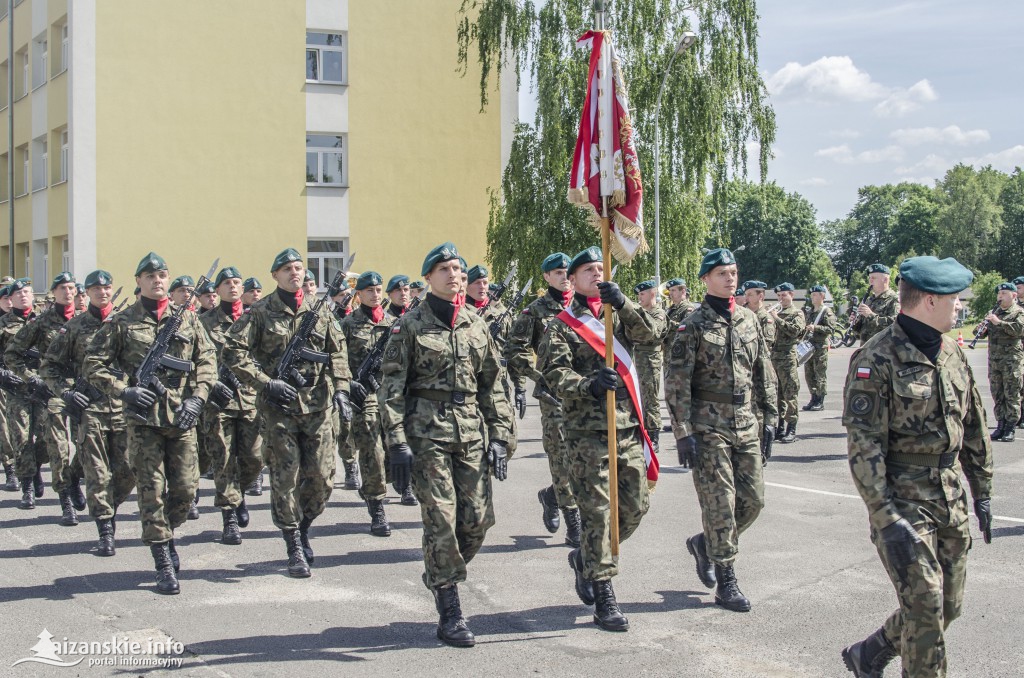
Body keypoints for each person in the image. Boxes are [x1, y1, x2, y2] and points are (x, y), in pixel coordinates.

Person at [841, 255, 993, 678]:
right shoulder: (877, 356)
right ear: (929, 301)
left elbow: (973, 425)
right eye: (954, 298)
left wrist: (982, 490)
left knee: (949, 605)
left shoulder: (951, 352)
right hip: (903, 499)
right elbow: (864, 445)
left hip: (950, 494)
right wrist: (884, 516)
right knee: (925, 605)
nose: (959, 305)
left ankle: (870, 651)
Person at [379, 242, 512, 648]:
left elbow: (494, 385)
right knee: (440, 518)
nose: (454, 275)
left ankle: (438, 572)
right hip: (426, 435)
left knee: (476, 522)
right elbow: (391, 389)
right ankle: (450, 608)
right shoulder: (409, 326)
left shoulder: (476, 323)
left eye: (458, 268)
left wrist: (502, 435)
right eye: (444, 268)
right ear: (428, 278)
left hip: (470, 433)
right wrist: (397, 442)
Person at [537, 246, 659, 633]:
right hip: (586, 433)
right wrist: (587, 384)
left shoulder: (617, 316)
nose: (597, 273)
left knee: (636, 506)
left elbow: (652, 335)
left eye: (601, 268)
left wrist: (623, 304)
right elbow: (553, 373)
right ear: (572, 280)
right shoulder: (561, 324)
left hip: (625, 426)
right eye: (589, 269)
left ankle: (585, 557)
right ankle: (604, 594)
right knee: (597, 514)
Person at [84, 253, 216, 595]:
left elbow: (207, 360)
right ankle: (162, 558)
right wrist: (124, 390)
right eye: (150, 275)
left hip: (181, 417)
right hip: (143, 422)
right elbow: (93, 365)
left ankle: (165, 533)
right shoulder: (121, 322)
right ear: (139, 280)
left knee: (187, 490)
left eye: (162, 275)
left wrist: (198, 397)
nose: (158, 280)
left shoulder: (186, 320)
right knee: (151, 492)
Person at [222, 248, 352, 579]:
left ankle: (305, 523)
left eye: (298, 267)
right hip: (279, 410)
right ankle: (293, 542)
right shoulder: (260, 311)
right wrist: (266, 383)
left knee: (321, 479)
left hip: (318, 407)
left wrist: (341, 390)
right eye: (287, 268)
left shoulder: (320, 311)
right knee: (285, 477)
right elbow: (233, 350)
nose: (295, 272)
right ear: (275, 276)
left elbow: (337, 353)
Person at [666, 249, 777, 613]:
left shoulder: (749, 319)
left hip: (745, 421)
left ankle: (705, 544)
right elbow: (677, 381)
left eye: (733, 272)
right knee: (721, 506)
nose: (730, 279)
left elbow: (763, 369)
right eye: (721, 273)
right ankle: (726, 580)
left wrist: (771, 418)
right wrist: (682, 432)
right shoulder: (693, 324)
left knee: (753, 501)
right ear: (705, 279)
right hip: (707, 425)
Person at [41, 270, 135, 555]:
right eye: (95, 289)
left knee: (128, 471)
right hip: (90, 410)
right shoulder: (74, 327)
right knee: (97, 473)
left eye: (106, 287)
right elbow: (49, 366)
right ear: (87, 293)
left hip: (123, 407)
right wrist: (67, 392)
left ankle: (108, 506)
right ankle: (105, 528)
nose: (102, 292)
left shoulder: (128, 323)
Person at [504, 252, 581, 546]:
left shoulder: (586, 309)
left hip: (587, 394)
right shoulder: (534, 312)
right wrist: (539, 379)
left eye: (568, 272)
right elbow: (516, 350)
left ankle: (551, 495)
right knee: (561, 459)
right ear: (547, 277)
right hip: (554, 396)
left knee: (584, 460)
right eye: (558, 272)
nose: (564, 277)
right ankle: (573, 521)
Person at [6, 273, 86, 522]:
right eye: (62, 288)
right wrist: (31, 377)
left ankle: (73, 479)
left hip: (85, 392)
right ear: (53, 292)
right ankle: (65, 502)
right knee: (58, 448)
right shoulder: (41, 323)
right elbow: (12, 354)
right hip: (54, 391)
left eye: (71, 287)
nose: (68, 291)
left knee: (86, 444)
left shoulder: (87, 321)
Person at [200, 266, 264, 545]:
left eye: (237, 282)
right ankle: (229, 517)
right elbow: (195, 360)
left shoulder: (257, 318)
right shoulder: (203, 322)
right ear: (217, 290)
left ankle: (238, 495)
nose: (233, 286)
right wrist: (211, 385)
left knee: (254, 458)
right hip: (218, 403)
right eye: (226, 282)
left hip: (250, 398)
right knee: (223, 460)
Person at [341, 271, 397, 535]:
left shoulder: (395, 323)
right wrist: (349, 384)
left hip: (392, 396)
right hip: (363, 397)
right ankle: (377, 506)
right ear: (359, 294)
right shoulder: (348, 324)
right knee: (372, 453)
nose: (375, 294)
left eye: (378, 289)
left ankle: (389, 485)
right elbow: (337, 360)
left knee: (391, 450)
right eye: (370, 290)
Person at [983, 282, 1024, 442]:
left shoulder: (1019, 312)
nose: (1000, 297)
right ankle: (1000, 425)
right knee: (997, 394)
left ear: (1014, 295)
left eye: (1004, 294)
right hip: (994, 362)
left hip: (1011, 362)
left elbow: (1019, 330)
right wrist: (983, 327)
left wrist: (999, 323)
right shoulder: (994, 312)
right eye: (999, 294)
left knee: (1012, 395)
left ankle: (1010, 428)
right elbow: (977, 333)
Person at [743, 280, 778, 464]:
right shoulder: (745, 315)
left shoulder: (765, 318)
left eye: (750, 294)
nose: (746, 298)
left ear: (761, 296)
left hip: (760, 370)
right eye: (746, 294)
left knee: (759, 411)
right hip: (747, 371)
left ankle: (761, 449)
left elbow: (766, 346)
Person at [632, 280, 667, 451]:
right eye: (638, 295)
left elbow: (652, 333)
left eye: (642, 294)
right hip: (638, 357)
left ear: (652, 294)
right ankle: (643, 431)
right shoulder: (644, 313)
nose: (639, 298)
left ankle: (654, 435)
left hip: (650, 359)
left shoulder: (658, 313)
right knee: (639, 397)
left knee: (650, 397)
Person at [662, 278, 697, 441]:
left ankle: (686, 424)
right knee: (671, 393)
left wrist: (666, 321)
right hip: (669, 355)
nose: (670, 294)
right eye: (669, 292)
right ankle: (676, 422)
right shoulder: (672, 309)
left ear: (683, 291)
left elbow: (685, 328)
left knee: (681, 392)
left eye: (674, 291)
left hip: (682, 357)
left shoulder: (688, 309)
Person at [769, 283, 805, 443]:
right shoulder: (778, 312)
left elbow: (794, 331)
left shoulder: (797, 313)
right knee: (778, 395)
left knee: (790, 393)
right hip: (774, 357)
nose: (781, 299)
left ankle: (792, 428)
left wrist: (776, 318)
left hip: (788, 357)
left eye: (783, 295)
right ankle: (780, 427)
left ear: (791, 294)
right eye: (778, 296)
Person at [801, 285, 838, 411]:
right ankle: (813, 397)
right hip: (809, 347)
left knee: (819, 374)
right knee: (809, 374)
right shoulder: (810, 311)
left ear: (822, 296)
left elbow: (831, 329)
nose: (812, 297)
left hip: (820, 347)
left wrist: (816, 328)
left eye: (815, 295)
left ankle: (820, 400)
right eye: (812, 295)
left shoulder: (826, 312)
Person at [0, 281, 20, 490]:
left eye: (9, 298)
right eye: (4, 298)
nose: (8, 302)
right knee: (3, 425)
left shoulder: (25, 321)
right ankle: (10, 467)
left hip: (21, 379)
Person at [856, 263, 900, 344]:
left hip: (884, 352)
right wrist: (855, 322)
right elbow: (860, 331)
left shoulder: (894, 299)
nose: (870, 281)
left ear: (885, 280)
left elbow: (895, 324)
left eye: (874, 278)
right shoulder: (869, 300)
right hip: (865, 350)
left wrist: (870, 315)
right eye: (869, 278)